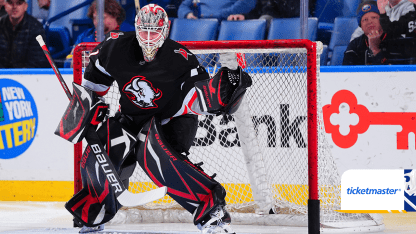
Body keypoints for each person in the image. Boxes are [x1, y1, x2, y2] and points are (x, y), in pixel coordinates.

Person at [58, 3, 252, 234]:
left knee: (155, 156)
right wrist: (88, 107)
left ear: (165, 30)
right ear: (137, 28)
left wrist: (221, 93)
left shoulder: (180, 58)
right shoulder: (115, 48)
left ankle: (212, 213)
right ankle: (96, 214)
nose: (149, 39)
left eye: (154, 32)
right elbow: (93, 86)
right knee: (105, 144)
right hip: (131, 118)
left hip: (172, 121)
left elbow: (197, 98)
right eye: (144, 31)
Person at [64, 0, 125, 67]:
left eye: (102, 18)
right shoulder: (84, 36)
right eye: (95, 18)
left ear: (115, 16)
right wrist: (77, 62)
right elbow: (67, 63)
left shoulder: (129, 34)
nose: (97, 22)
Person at [0, 0, 49, 68]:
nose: (14, 7)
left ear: (25, 6)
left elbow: (38, 61)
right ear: (5, 6)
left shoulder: (36, 28)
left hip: (26, 75)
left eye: (19, 3)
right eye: (10, 3)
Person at [177, 0, 256, 21]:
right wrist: (187, 14)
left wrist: (212, 16)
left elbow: (247, 3)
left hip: (225, 24)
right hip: (198, 25)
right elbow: (183, 7)